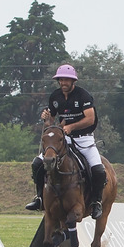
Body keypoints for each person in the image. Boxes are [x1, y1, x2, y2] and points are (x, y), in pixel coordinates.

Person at [25, 64, 107, 219]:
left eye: (67, 80)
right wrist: (47, 119)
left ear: (73, 81)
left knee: (98, 170)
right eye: (61, 79)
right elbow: (51, 123)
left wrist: (71, 127)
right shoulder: (55, 97)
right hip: (63, 140)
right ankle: (39, 198)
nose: (63, 82)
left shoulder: (83, 95)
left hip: (84, 140)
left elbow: (90, 119)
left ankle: (96, 202)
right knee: (37, 163)